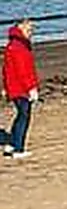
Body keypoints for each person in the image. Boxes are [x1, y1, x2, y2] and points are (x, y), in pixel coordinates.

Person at [3, 19, 40, 159]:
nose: (31, 33)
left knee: (20, 115)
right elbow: (23, 71)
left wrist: (6, 86)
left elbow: (6, 70)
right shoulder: (18, 47)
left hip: (15, 87)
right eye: (29, 30)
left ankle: (12, 145)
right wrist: (31, 88)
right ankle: (18, 148)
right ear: (20, 28)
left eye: (32, 30)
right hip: (20, 88)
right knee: (24, 116)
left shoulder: (14, 45)